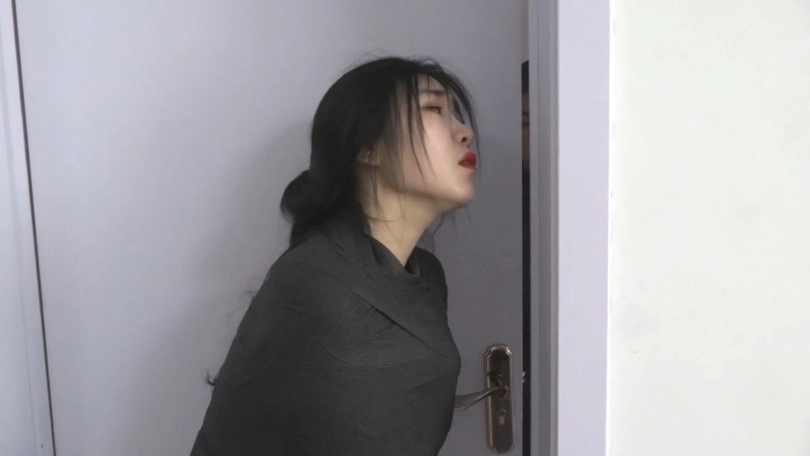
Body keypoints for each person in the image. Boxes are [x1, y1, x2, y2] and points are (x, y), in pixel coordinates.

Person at [190, 56, 478, 456]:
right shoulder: (316, 284)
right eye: (434, 109)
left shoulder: (426, 277)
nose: (465, 132)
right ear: (368, 148)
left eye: (458, 115)